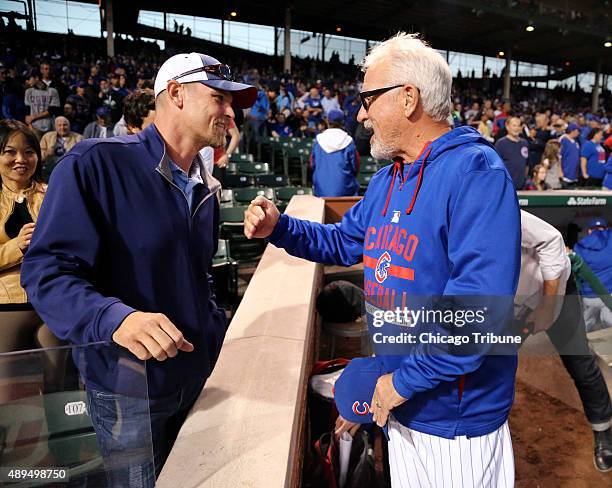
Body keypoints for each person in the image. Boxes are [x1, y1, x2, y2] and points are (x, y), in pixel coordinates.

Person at [244, 32, 520, 487]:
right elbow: (343, 243)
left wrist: (398, 384)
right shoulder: (387, 179)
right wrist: (280, 229)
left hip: (454, 420)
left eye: (370, 97)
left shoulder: (475, 173)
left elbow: (474, 319)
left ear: (409, 97)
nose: (361, 113)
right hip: (402, 400)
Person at [21, 52, 257, 484]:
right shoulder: (96, 162)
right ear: (176, 94)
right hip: (127, 388)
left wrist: (216, 340)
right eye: (219, 98)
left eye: (232, 103)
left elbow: (197, 278)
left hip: (197, 378)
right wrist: (117, 318)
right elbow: (46, 273)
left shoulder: (201, 183)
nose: (230, 112)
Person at [515, 210, 612, 472]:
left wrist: (547, 307)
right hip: (513, 304)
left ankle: (603, 429)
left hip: (555, 290)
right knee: (492, 366)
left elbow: (552, 240)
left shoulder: (492, 202)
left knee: (579, 363)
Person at [0, 120, 63, 352]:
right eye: (10, 152)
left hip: (54, 301)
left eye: (29, 152)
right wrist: (16, 246)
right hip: (7, 304)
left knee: (59, 386)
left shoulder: (55, 193)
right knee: (8, 386)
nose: (21, 159)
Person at [573, 218, 612, 332]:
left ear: (589, 231)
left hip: (589, 295)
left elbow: (577, 272)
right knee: (609, 322)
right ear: (605, 229)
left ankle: (581, 347)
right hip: (608, 293)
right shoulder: (610, 240)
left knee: (585, 326)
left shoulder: (579, 246)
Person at [310, 108, 359, 197]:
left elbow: (312, 165)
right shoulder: (348, 141)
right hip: (345, 190)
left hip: (320, 190)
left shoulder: (318, 141)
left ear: (327, 121)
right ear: (342, 122)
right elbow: (355, 167)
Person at [495, 115, 529, 190]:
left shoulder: (524, 143)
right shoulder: (501, 143)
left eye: (518, 126)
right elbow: (495, 166)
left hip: (521, 187)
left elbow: (526, 164)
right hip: (506, 187)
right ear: (507, 127)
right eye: (514, 125)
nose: (517, 128)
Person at [24, 69, 61, 137]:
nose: (28, 81)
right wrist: (29, 125)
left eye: (29, 78)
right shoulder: (28, 91)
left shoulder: (52, 91)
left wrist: (34, 117)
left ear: (37, 78)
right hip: (34, 127)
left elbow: (53, 110)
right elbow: (27, 111)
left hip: (50, 126)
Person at [559, 122, 581, 187]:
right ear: (572, 131)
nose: (578, 132)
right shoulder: (563, 140)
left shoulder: (576, 142)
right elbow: (559, 157)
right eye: (577, 130)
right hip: (565, 174)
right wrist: (560, 171)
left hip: (574, 174)